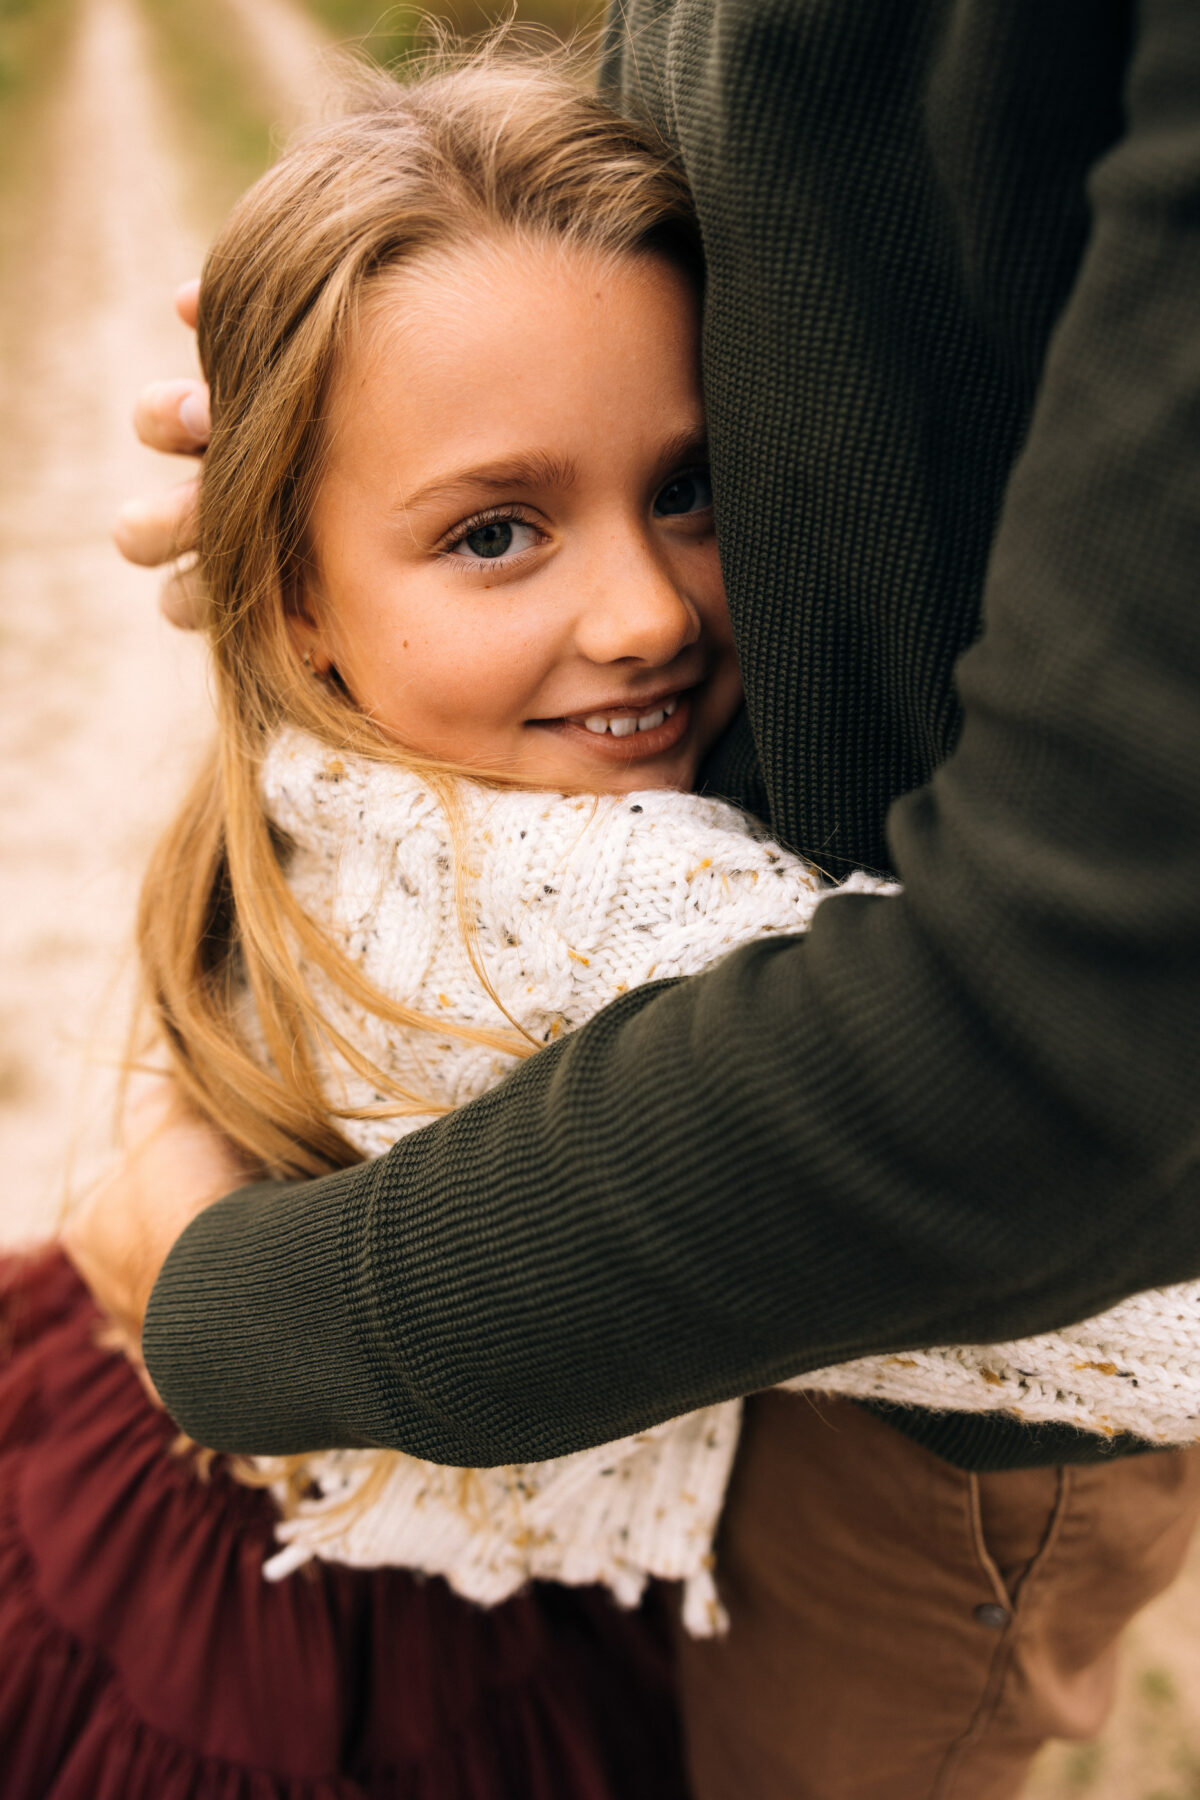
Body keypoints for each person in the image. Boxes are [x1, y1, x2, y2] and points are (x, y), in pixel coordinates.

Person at [92, 3, 1200, 1796]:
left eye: (691, 493)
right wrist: (419, 319)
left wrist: (229, 1310)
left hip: (958, 1386)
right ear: (287, 582)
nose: (649, 619)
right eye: (498, 532)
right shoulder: (357, 821)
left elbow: (1079, 1116)